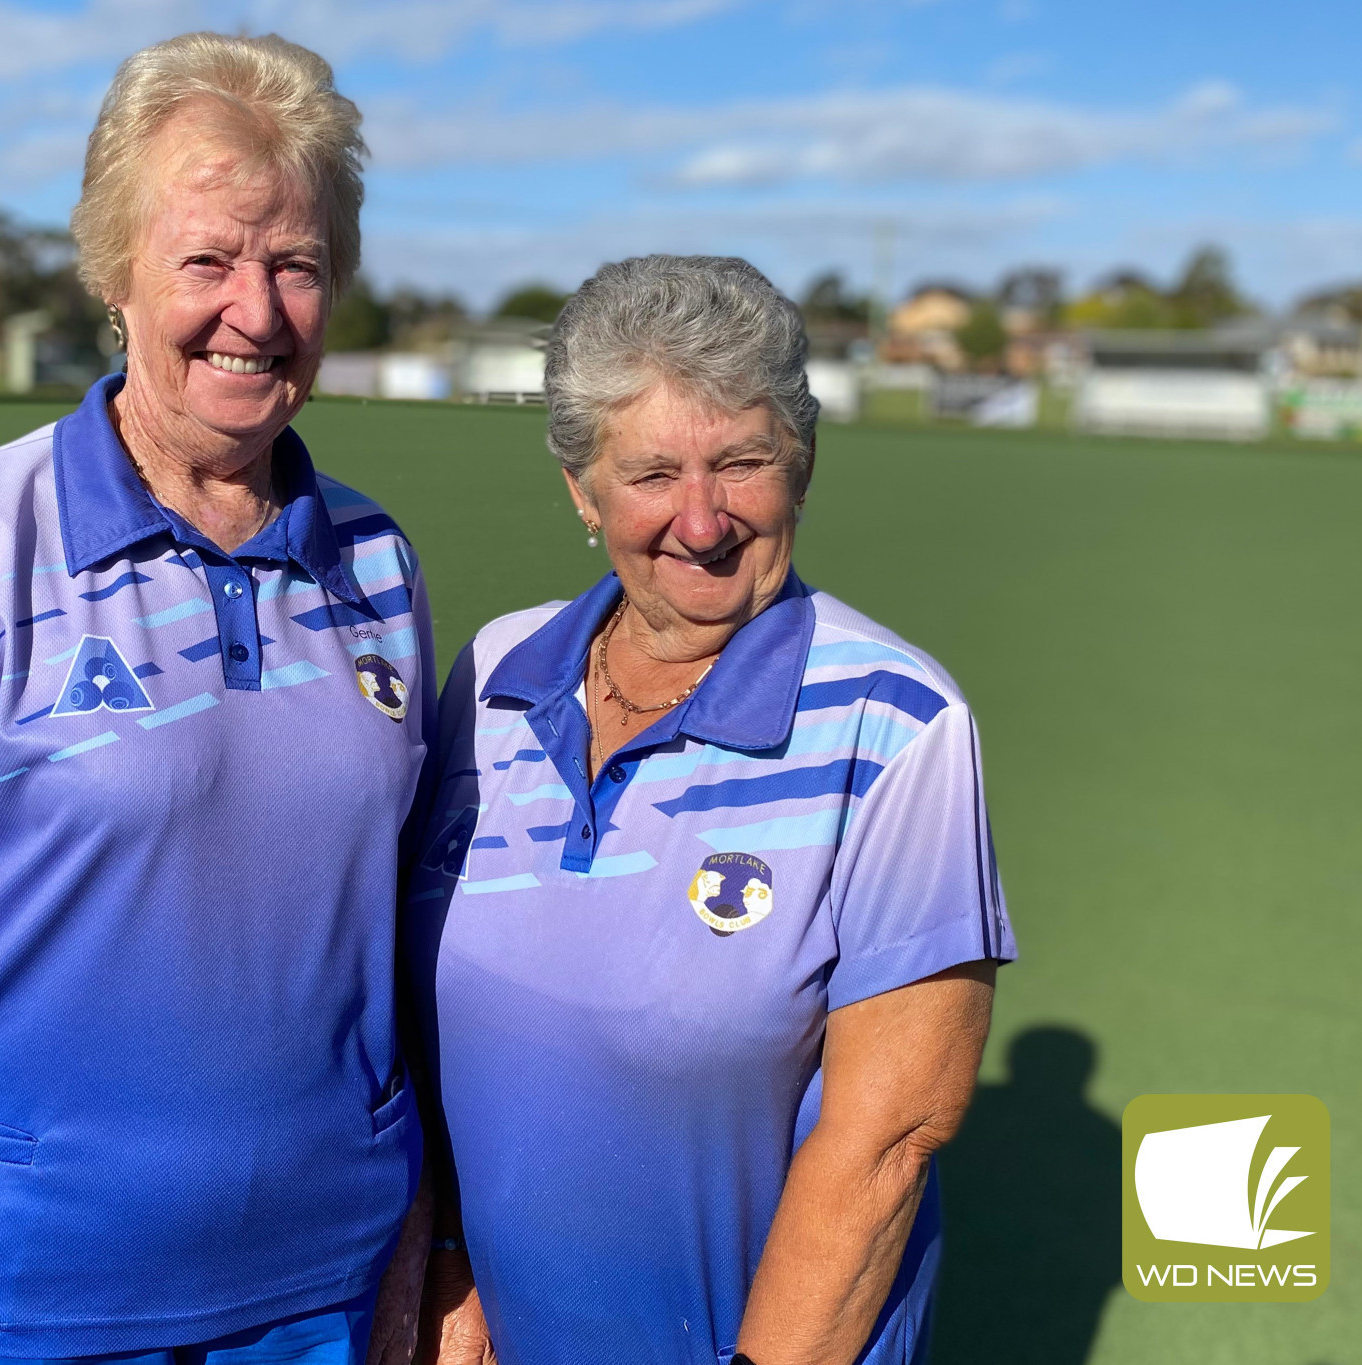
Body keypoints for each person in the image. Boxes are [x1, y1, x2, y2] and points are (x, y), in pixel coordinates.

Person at [0, 33, 434, 1365]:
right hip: (39, 1316)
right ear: (116, 270)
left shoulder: (379, 562)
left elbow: (395, 965)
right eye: (208, 260)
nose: (258, 309)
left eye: (296, 264)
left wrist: (402, 1296)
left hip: (323, 1303)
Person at [408, 255, 1017, 1365]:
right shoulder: (493, 674)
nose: (700, 521)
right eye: (648, 474)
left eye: (742, 462)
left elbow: (888, 1136)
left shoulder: (896, 722)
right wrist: (450, 1262)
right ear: (580, 493)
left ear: (801, 467)